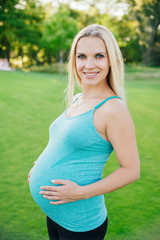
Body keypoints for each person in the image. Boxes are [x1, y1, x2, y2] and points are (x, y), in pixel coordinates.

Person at [28, 24, 140, 240]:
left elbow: (131, 171)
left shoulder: (113, 109)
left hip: (81, 221)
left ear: (111, 61)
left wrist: (78, 193)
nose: (89, 65)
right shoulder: (78, 98)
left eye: (99, 55)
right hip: (57, 211)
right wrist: (41, 163)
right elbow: (63, 139)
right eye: (81, 56)